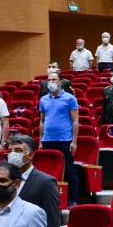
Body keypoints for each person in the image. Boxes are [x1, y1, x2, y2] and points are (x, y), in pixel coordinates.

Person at [7, 135, 62, 227]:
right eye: (9, 151)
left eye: (18, 150)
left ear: (31, 155)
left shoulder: (46, 182)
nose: (12, 154)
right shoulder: (4, 181)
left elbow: (52, 222)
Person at [39, 74, 82, 206]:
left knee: (69, 170)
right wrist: (41, 140)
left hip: (65, 140)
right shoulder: (43, 99)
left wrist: (74, 141)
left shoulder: (70, 98)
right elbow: (41, 121)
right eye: (49, 80)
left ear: (60, 82)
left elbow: (75, 121)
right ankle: (49, 201)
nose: (51, 82)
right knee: (47, 171)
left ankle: (73, 200)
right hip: (47, 140)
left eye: (54, 80)